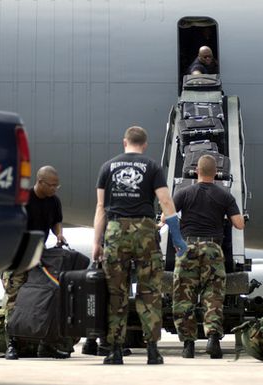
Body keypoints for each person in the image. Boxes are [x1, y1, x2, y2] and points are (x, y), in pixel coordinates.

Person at [92, 125, 187, 365]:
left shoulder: (107, 167)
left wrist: (96, 242)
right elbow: (166, 201)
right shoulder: (152, 166)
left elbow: (100, 208)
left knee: (116, 292)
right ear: (144, 145)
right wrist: (176, 237)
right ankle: (153, 350)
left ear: (125, 142)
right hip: (145, 231)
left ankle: (114, 350)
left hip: (115, 232)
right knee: (149, 292)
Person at [171, 155, 245, 359]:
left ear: (196, 172)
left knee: (183, 296)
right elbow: (239, 224)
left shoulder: (183, 192)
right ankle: (212, 339)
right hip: (213, 248)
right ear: (215, 173)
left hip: (187, 248)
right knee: (213, 295)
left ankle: (188, 344)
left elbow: (165, 218)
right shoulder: (225, 196)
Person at [3, 165, 68, 360]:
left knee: (46, 299)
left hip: (40, 253)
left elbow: (56, 220)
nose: (55, 189)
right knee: (13, 299)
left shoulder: (53, 201)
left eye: (58, 186)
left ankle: (46, 345)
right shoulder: (23, 200)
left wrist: (59, 235)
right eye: (52, 185)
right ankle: (11, 344)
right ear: (40, 182)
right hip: (18, 256)